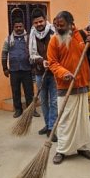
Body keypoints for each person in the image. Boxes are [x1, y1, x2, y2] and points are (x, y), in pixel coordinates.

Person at [47, 11, 90, 164]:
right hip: (65, 86)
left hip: (82, 84)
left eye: (62, 25)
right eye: (56, 25)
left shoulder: (83, 35)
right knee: (64, 120)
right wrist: (63, 73)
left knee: (82, 120)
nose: (58, 28)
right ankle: (62, 150)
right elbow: (52, 63)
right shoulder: (53, 41)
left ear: (71, 24)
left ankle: (82, 147)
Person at [29, 8, 57, 136]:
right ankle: (47, 125)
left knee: (54, 101)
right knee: (44, 101)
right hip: (40, 73)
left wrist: (50, 62)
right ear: (33, 24)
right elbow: (31, 55)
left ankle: (52, 127)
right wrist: (41, 61)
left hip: (54, 73)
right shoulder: (32, 35)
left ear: (45, 19)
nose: (39, 24)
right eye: (36, 23)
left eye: (41, 21)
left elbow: (59, 50)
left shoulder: (54, 32)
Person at [2, 18, 34, 118]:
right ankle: (18, 110)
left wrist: (33, 68)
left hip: (27, 69)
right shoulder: (8, 39)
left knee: (29, 91)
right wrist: (5, 68)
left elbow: (33, 52)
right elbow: (4, 54)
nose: (19, 28)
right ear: (13, 27)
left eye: (20, 26)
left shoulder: (29, 38)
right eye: (17, 27)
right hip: (14, 70)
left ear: (23, 27)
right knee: (15, 91)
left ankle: (31, 110)